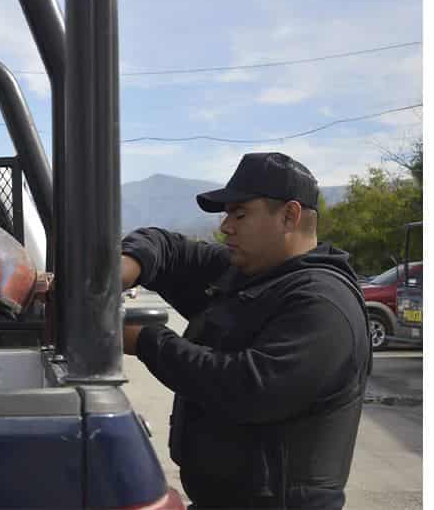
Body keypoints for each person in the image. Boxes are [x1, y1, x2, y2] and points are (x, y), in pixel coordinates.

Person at [119, 152, 370, 509]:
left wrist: (145, 340)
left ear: (289, 216)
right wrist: (126, 265)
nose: (226, 226)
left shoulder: (322, 304)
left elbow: (249, 388)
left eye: (240, 214)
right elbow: (168, 248)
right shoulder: (246, 273)